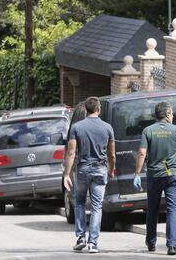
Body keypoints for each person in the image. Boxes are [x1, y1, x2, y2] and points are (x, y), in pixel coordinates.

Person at [134, 101, 176, 256]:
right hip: (172, 175)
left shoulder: (148, 131)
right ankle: (172, 245)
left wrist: (137, 174)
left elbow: (142, 153)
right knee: (172, 209)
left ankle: (151, 243)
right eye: (172, 113)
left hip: (154, 175)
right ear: (167, 114)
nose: (172, 115)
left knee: (152, 209)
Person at [63, 97, 116, 253]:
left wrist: (67, 174)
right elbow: (112, 154)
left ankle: (80, 238)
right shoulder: (108, 128)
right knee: (96, 206)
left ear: (85, 110)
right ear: (99, 109)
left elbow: (71, 152)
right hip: (100, 170)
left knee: (79, 202)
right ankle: (93, 243)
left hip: (82, 170)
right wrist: (111, 169)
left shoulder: (77, 128)